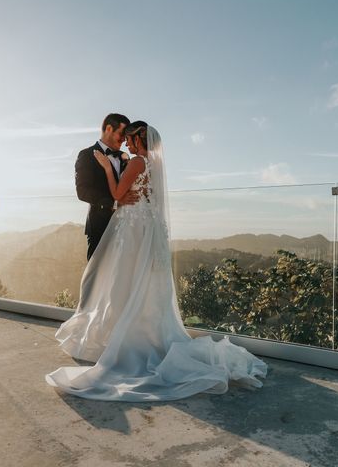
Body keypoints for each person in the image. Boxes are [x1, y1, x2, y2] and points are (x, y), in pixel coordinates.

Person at [46, 121, 267, 401]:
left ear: (139, 140)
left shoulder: (137, 161)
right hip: (144, 226)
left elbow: (116, 194)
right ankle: (135, 330)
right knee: (138, 279)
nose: (125, 143)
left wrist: (105, 168)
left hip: (132, 227)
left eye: (129, 138)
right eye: (122, 137)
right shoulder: (151, 163)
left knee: (120, 278)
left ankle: (120, 334)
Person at [75, 113, 135, 260]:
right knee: (95, 277)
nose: (123, 140)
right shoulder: (86, 155)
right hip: (99, 227)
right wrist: (115, 202)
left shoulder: (125, 157)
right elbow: (82, 191)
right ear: (108, 128)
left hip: (126, 226)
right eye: (121, 134)